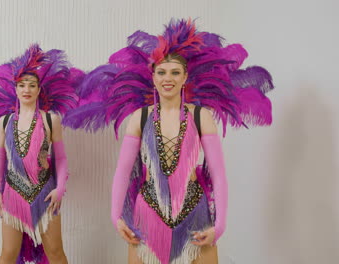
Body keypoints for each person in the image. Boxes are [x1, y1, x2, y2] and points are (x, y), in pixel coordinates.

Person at [63, 18, 274, 264]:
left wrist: (220, 225)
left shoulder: (200, 116)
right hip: (148, 215)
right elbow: (123, 171)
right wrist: (116, 216)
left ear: (185, 77)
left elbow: (218, 174)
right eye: (161, 72)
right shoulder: (140, 118)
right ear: (153, 77)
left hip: (195, 213)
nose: (168, 78)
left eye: (175, 72)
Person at [0, 44, 83, 264]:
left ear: (38, 90)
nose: (27, 89)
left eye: (32, 85)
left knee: (55, 252)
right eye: (22, 85)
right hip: (13, 193)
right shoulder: (5, 122)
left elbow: (61, 158)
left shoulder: (50, 120)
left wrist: (59, 189)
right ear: (15, 89)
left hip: (45, 194)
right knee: (8, 253)